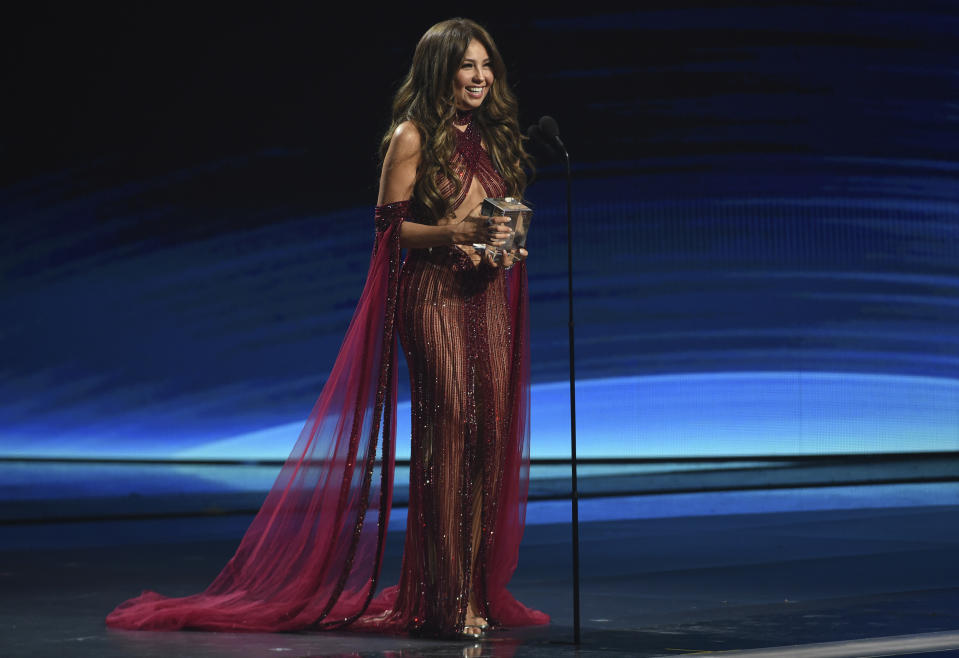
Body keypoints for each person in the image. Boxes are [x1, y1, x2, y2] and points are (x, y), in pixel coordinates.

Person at [105, 17, 547, 640]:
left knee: (486, 443)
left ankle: (472, 588)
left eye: (485, 66)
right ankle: (448, 602)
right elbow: (389, 231)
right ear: (440, 72)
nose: (479, 78)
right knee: (447, 440)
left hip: (485, 297)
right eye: (466, 67)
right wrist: (453, 234)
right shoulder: (412, 136)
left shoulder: (497, 140)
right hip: (434, 298)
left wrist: (501, 246)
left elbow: (498, 220)